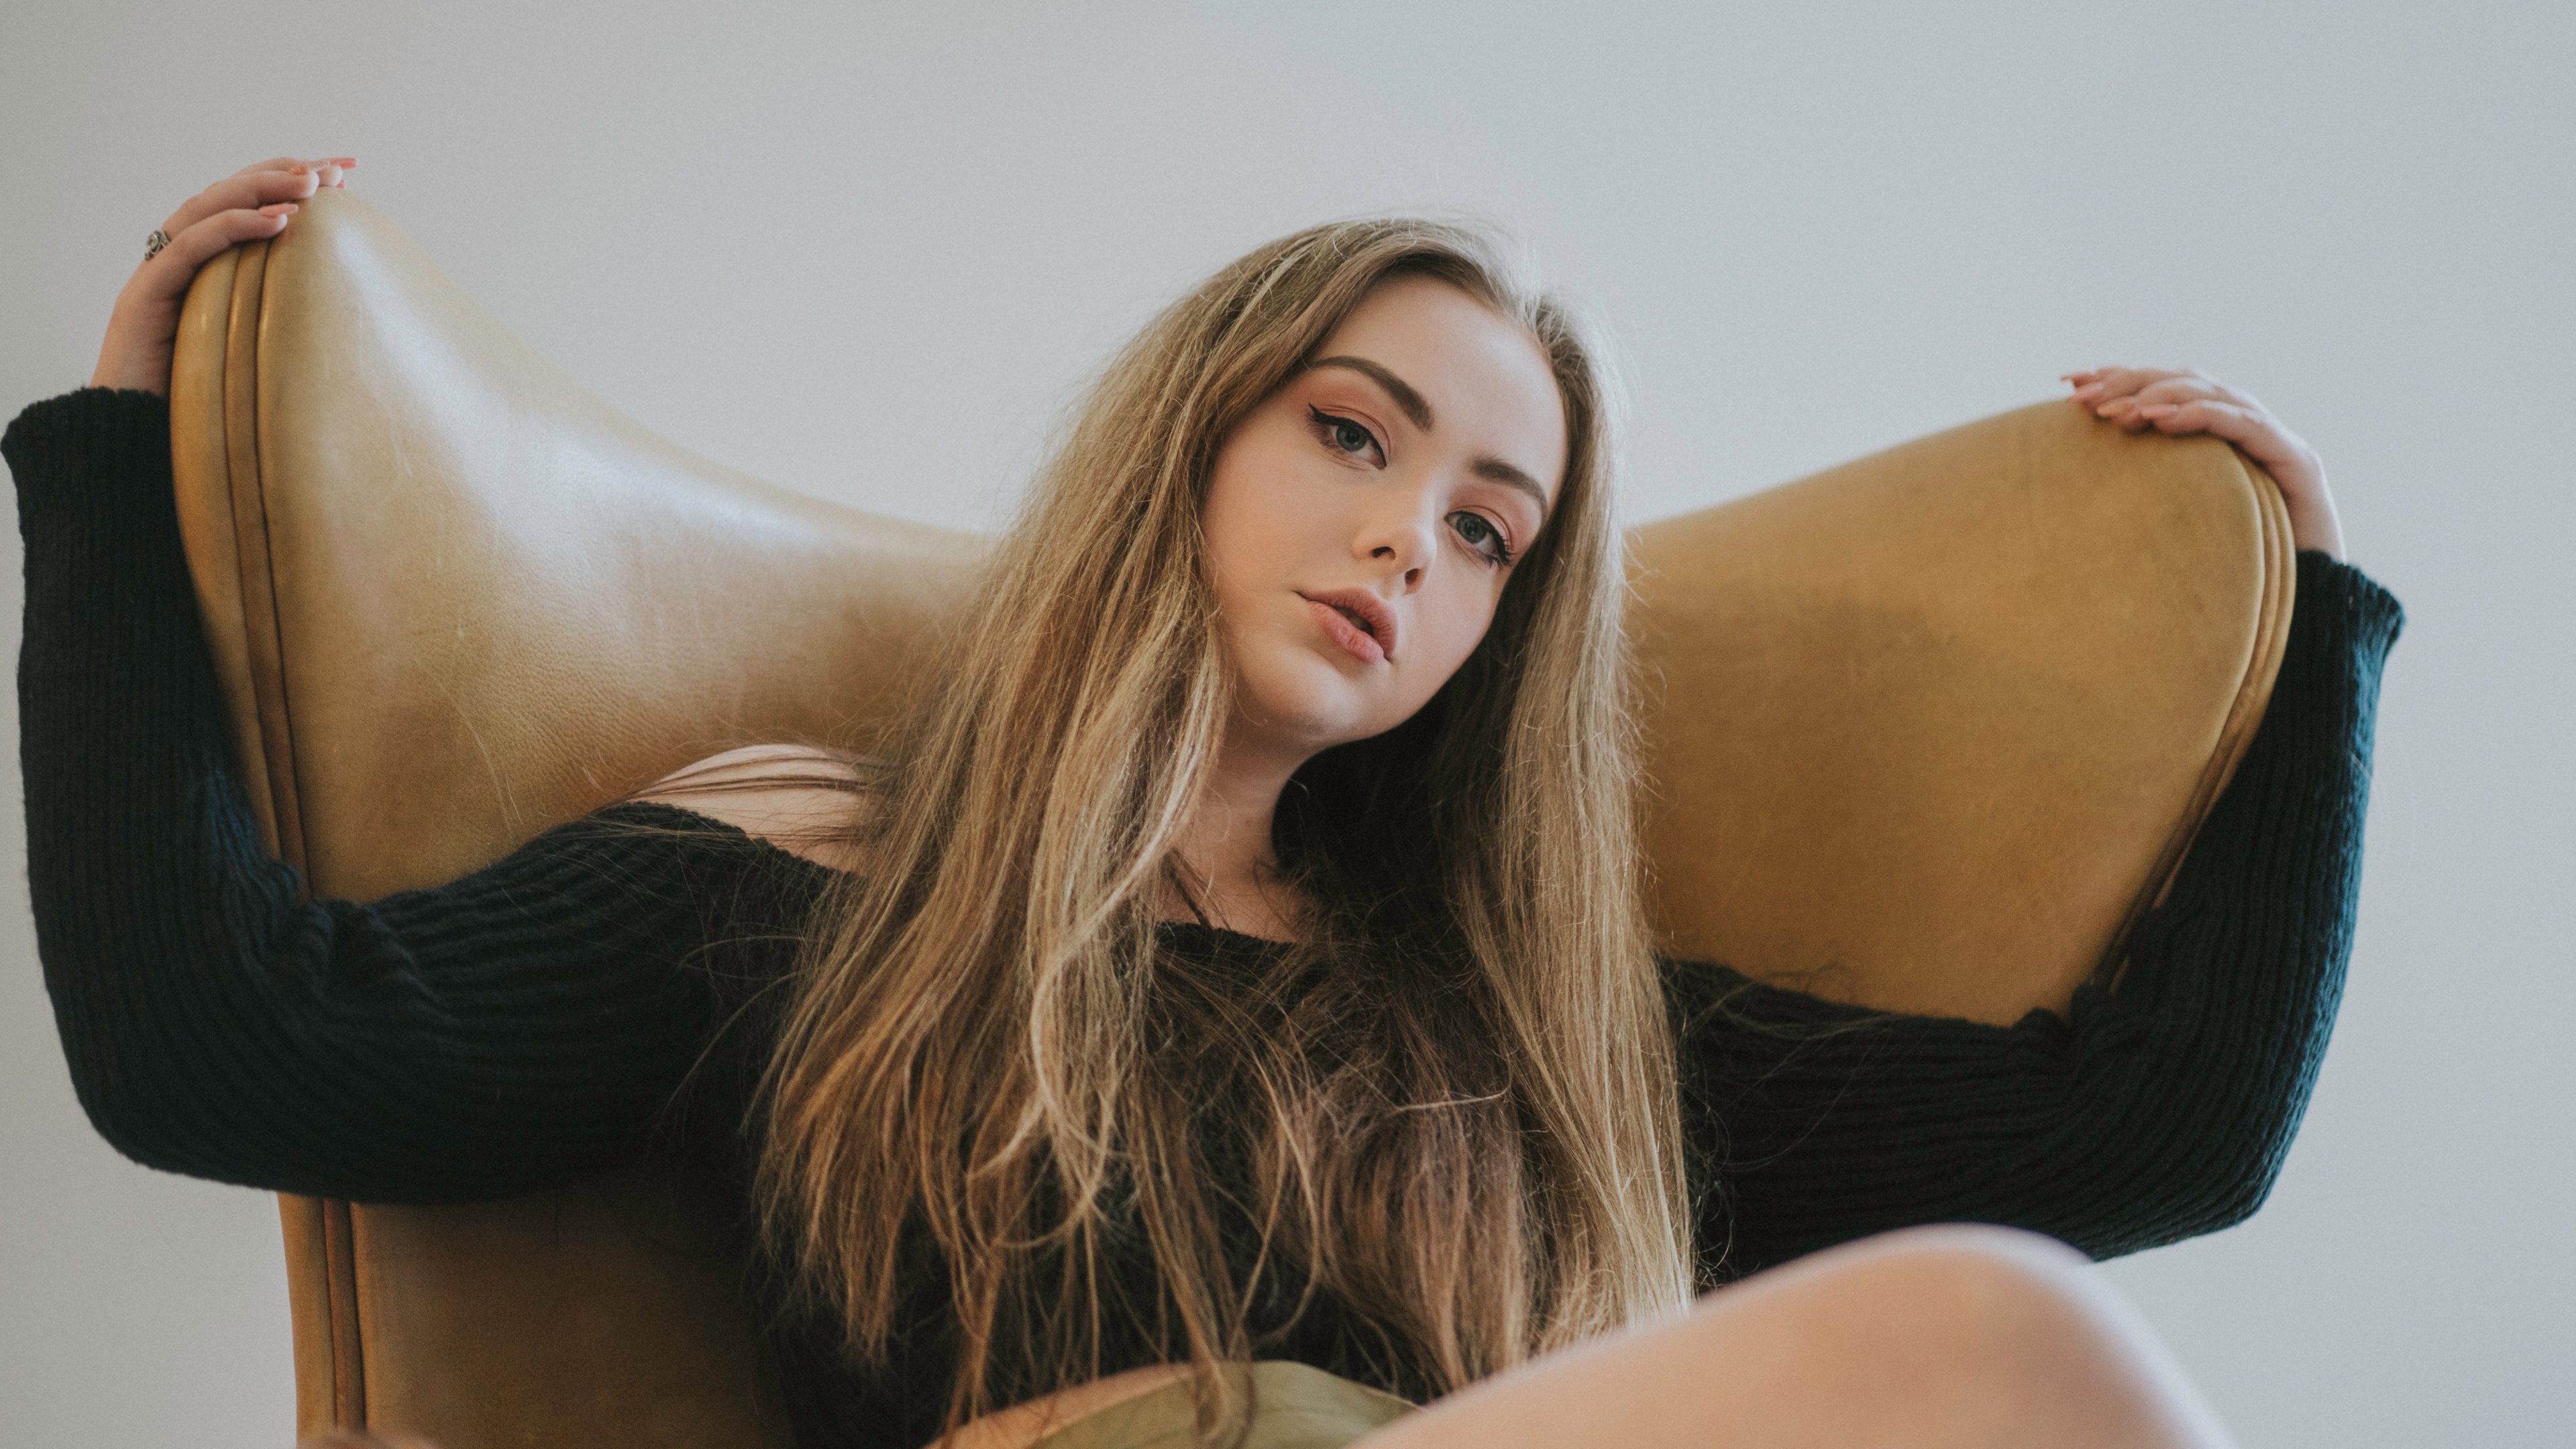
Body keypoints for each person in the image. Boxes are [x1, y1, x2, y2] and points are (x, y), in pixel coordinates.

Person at [7, 155, 2402, 1449]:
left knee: (1999, 1345)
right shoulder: (811, 887)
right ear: (1193, 438)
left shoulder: (1523, 1029)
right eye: (1355, 435)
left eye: (1489, 532)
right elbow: (228, 1044)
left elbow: (2148, 1139)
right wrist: (117, 472)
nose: (1409, 542)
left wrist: (2313, 632)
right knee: (1992, 1343)